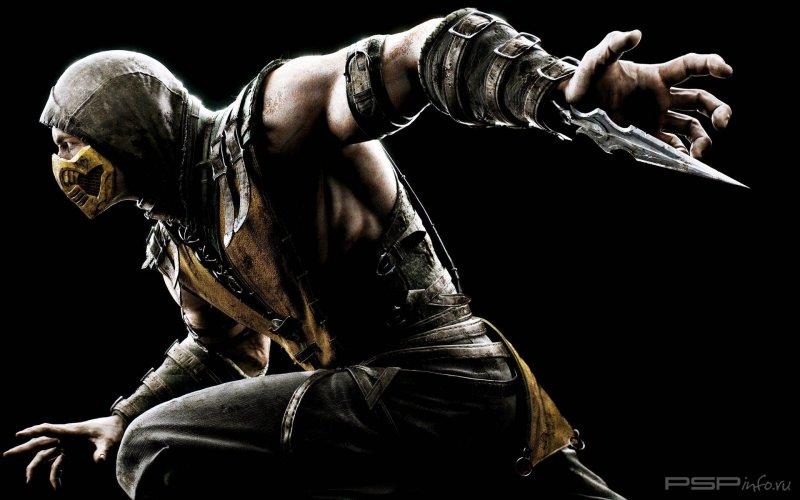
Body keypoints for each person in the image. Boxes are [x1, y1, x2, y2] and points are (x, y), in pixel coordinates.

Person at [4, 8, 733, 498]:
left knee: (158, 452)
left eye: (68, 142)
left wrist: (558, 90)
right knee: (146, 436)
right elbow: (224, 351)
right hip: (396, 410)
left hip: (436, 387)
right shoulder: (178, 239)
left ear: (124, 126)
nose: (62, 164)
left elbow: (423, 54)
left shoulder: (269, 122)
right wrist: (126, 413)